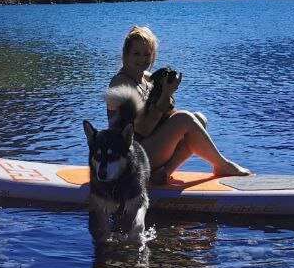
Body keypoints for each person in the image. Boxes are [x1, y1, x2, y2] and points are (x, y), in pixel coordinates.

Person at [107, 25, 250, 184]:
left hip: (145, 150)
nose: (142, 59)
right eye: (136, 54)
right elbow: (143, 129)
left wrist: (167, 94)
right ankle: (222, 165)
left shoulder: (146, 79)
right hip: (125, 160)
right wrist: (166, 95)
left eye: (147, 54)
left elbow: (165, 117)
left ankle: (163, 173)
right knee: (184, 119)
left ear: (153, 55)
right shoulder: (120, 84)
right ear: (125, 55)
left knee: (198, 119)